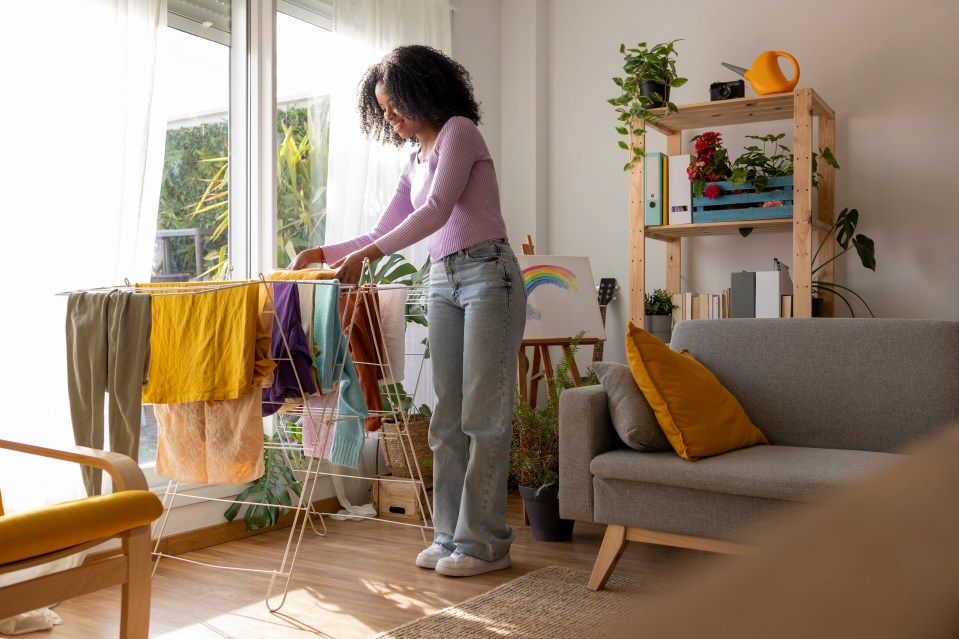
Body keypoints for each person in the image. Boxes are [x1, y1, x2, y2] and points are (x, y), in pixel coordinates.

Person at [290, 45, 526, 578]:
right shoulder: (413, 160)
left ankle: (485, 543)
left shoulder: (459, 133)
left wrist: (363, 257)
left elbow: (436, 211)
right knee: (446, 418)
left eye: (396, 104)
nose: (391, 116)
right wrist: (324, 255)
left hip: (491, 274)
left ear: (426, 91)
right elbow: (380, 230)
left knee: (483, 418)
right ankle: (449, 537)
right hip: (443, 278)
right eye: (384, 108)